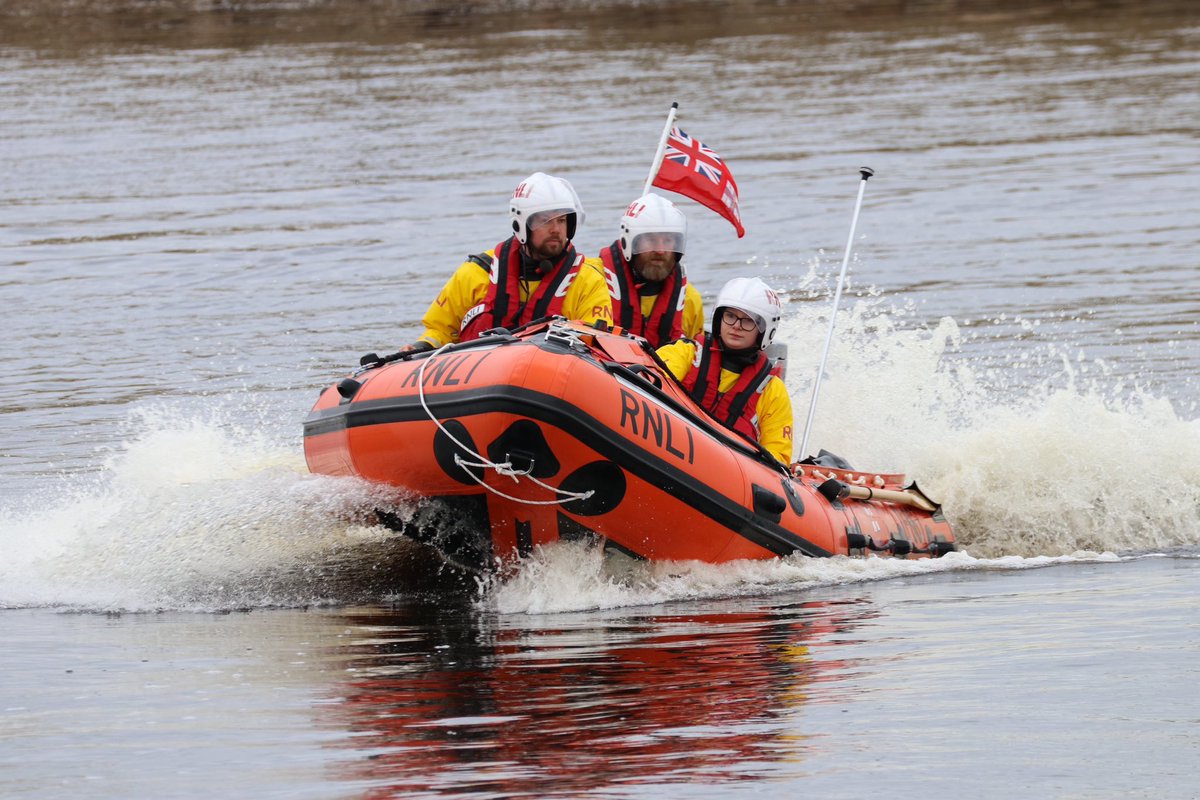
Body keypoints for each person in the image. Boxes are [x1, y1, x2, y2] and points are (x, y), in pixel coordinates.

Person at [398, 172, 613, 353]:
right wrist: (420, 348)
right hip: (477, 375)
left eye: (562, 220)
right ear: (522, 224)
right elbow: (440, 331)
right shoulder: (476, 272)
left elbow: (597, 345)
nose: (556, 229)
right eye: (545, 220)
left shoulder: (587, 281)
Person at [657, 276, 793, 465]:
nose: (736, 325)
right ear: (719, 318)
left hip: (728, 476)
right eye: (730, 316)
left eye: (748, 321)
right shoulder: (686, 353)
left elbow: (777, 458)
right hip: (667, 449)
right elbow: (648, 384)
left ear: (764, 330)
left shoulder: (772, 391)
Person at [591, 192, 703, 348]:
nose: (661, 250)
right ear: (629, 242)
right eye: (651, 240)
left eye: (668, 240)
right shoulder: (590, 281)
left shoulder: (690, 300)